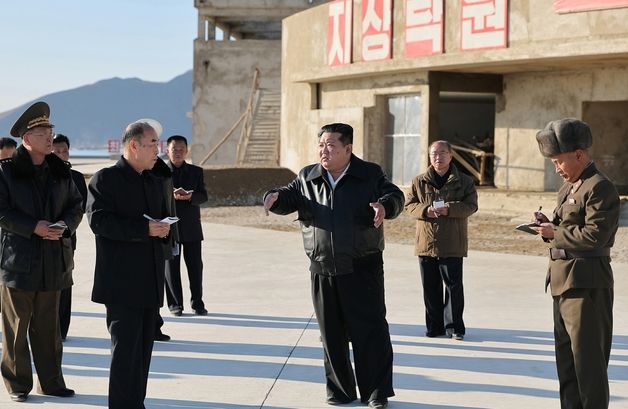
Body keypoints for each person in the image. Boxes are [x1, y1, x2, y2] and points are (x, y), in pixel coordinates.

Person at [263, 123, 403, 409]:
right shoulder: (308, 176)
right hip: (322, 266)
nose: (323, 151)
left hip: (362, 266)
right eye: (321, 145)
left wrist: (385, 207)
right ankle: (340, 390)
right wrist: (273, 197)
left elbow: (395, 196)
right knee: (331, 333)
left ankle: (376, 392)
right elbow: (288, 196)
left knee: (370, 331)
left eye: (331, 146)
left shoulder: (369, 174)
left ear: (348, 149)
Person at [532, 118, 620, 409]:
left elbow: (596, 235)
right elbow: (568, 226)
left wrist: (554, 233)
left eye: (559, 161)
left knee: (589, 367)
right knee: (567, 365)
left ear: (579, 155)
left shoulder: (600, 187)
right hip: (563, 282)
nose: (556, 168)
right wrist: (548, 225)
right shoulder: (569, 188)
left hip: (586, 285)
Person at [0, 101, 82, 402]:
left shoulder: (61, 171)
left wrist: (65, 225)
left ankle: (51, 382)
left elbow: (76, 205)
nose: (50, 136)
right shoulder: (6, 172)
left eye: (51, 130)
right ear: (26, 138)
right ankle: (17, 384)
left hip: (54, 259)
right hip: (18, 261)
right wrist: (33, 226)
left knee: (49, 329)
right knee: (16, 328)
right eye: (42, 131)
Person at [87, 120, 171, 408]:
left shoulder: (152, 179)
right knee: (125, 354)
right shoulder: (105, 179)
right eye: (152, 146)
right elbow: (99, 222)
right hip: (122, 283)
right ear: (133, 146)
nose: (157, 152)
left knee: (143, 354)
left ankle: (137, 403)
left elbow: (157, 219)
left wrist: (163, 228)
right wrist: (144, 229)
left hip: (149, 279)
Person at [404, 140, 478, 341]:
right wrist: (425, 210)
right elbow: (409, 205)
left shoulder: (465, 181)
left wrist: (450, 209)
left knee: (453, 286)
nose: (438, 157)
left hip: (452, 241)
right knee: (430, 287)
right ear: (429, 157)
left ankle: (455, 327)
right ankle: (434, 326)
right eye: (434, 154)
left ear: (451, 155)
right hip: (426, 242)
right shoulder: (419, 181)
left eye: (442, 153)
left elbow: (471, 206)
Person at [164, 135, 208, 316]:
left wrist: (190, 196)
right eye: (175, 149)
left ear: (187, 150)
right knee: (171, 267)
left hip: (191, 226)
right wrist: (170, 195)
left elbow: (203, 196)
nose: (178, 152)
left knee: (195, 267)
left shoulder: (196, 171)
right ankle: (175, 304)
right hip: (169, 226)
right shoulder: (159, 171)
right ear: (167, 151)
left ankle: (197, 303)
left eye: (182, 149)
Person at [51, 133, 88, 341]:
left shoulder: (76, 177)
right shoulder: (41, 174)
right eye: (57, 151)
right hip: (42, 236)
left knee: (65, 282)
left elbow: (79, 207)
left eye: (64, 151)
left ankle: (62, 328)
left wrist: (64, 226)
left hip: (66, 238)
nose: (62, 155)